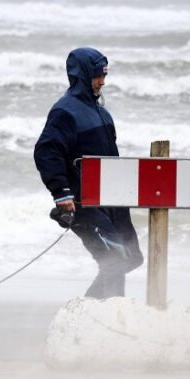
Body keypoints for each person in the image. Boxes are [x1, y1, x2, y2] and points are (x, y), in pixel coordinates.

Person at [34, 47, 143, 299]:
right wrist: (62, 194)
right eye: (97, 75)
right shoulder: (65, 111)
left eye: (104, 74)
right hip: (84, 204)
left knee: (131, 257)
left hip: (111, 200)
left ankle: (94, 311)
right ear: (82, 75)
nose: (102, 81)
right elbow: (46, 152)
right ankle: (103, 315)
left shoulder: (102, 113)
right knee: (114, 259)